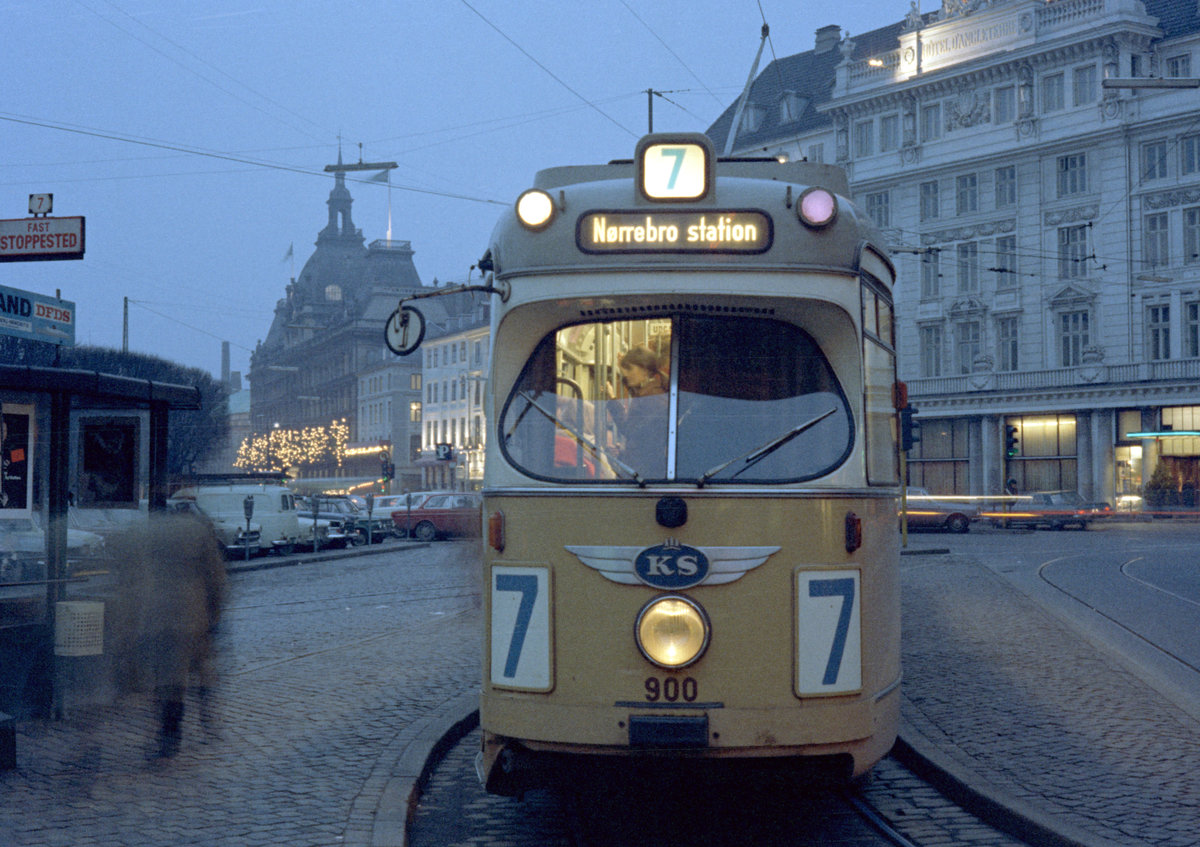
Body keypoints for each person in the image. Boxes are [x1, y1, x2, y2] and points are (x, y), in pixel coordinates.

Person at [111, 509, 227, 758]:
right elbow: (216, 578)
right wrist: (214, 615)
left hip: (152, 612)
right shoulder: (198, 532)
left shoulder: (146, 531)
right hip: (188, 614)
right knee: (179, 676)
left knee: (161, 673)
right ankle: (174, 731)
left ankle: (169, 728)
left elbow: (128, 574)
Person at [607, 345, 669, 476]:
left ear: (644, 369)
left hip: (644, 470)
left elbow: (629, 429)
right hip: (646, 466)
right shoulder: (653, 391)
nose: (626, 374)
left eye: (629, 369)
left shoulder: (652, 398)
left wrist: (612, 399)